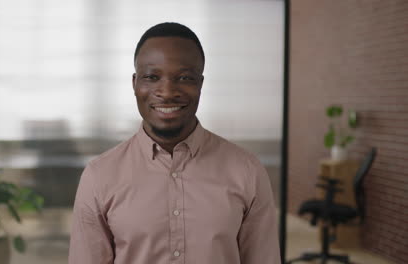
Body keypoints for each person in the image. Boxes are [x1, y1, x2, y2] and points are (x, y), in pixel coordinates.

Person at [69, 22, 280, 264]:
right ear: (135, 84)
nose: (167, 92)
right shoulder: (99, 176)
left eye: (184, 77)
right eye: (152, 77)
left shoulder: (247, 170)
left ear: (200, 84)